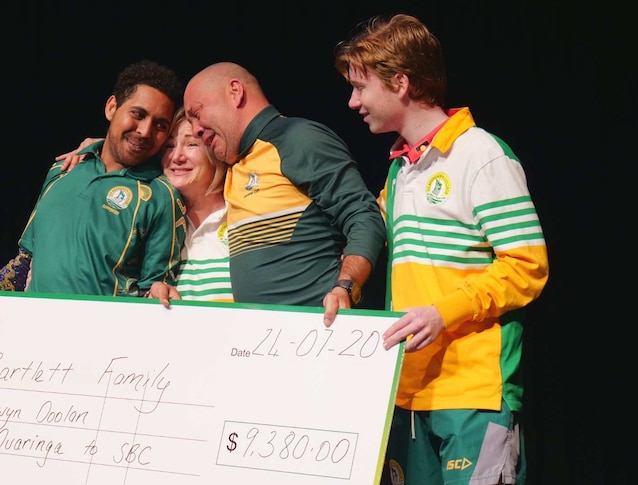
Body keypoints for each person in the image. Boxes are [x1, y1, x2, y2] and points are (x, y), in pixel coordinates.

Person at [334, 14, 549, 485]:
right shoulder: (400, 171)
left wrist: (442, 312)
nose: (353, 102)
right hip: (408, 393)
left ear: (401, 83)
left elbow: (527, 268)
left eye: (360, 87)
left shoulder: (480, 154)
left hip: (471, 392)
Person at [0, 59, 186, 315]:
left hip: (99, 349)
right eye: (138, 114)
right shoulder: (62, 170)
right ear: (112, 108)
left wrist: (157, 292)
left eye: (160, 125)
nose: (145, 131)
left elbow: (153, 295)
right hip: (30, 340)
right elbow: (26, 263)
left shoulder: (161, 195)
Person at [183, 62, 386, 324]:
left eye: (197, 113)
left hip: (317, 337)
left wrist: (346, 287)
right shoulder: (236, 166)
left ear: (235, 92)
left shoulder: (297, 139)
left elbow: (364, 217)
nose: (196, 129)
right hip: (264, 347)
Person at [56, 106, 232, 306]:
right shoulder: (149, 220)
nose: (177, 157)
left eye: (191, 144)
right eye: (169, 146)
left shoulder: (242, 214)